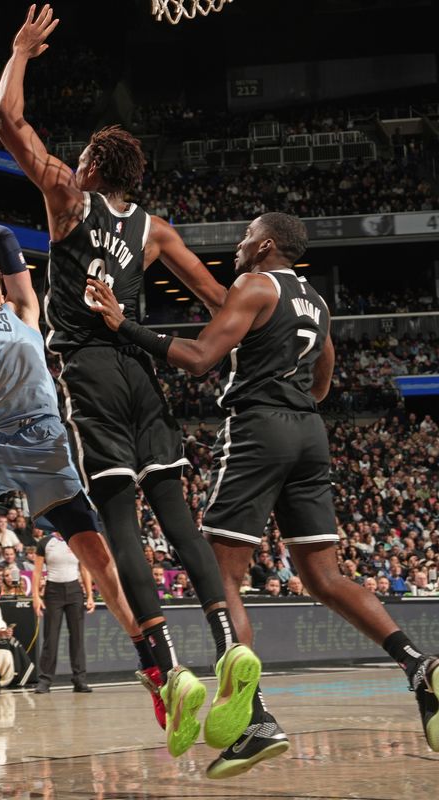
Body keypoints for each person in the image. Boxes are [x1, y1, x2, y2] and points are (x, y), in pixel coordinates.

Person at [0, 4, 259, 758]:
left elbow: (8, 123)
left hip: (92, 370)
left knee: (119, 520)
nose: (70, 162)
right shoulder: (154, 229)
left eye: (78, 157)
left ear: (90, 169)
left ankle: (172, 672)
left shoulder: (67, 200)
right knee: (173, 506)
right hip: (145, 371)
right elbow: (219, 303)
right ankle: (222, 636)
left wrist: (19, 53)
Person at [88, 210, 439, 776]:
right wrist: (293, 395)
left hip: (258, 429)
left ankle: (255, 720)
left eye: (247, 235)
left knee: (220, 574)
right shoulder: (318, 304)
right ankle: (419, 665)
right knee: (324, 576)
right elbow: (323, 376)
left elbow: (200, 359)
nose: (239, 243)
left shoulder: (255, 285)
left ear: (266, 245)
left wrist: (122, 325)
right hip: (309, 433)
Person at [0, 217, 175, 733]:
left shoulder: (25, 313)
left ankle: (153, 667)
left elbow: (7, 241)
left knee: (100, 561)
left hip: (44, 447)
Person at [32, 530, 94, 693]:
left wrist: (90, 595)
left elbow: (84, 569)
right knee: (50, 637)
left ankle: (79, 680)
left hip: (74, 590)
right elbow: (37, 571)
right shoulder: (45, 542)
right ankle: (45, 680)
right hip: (53, 591)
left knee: (77, 637)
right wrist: (36, 597)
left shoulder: (75, 539)